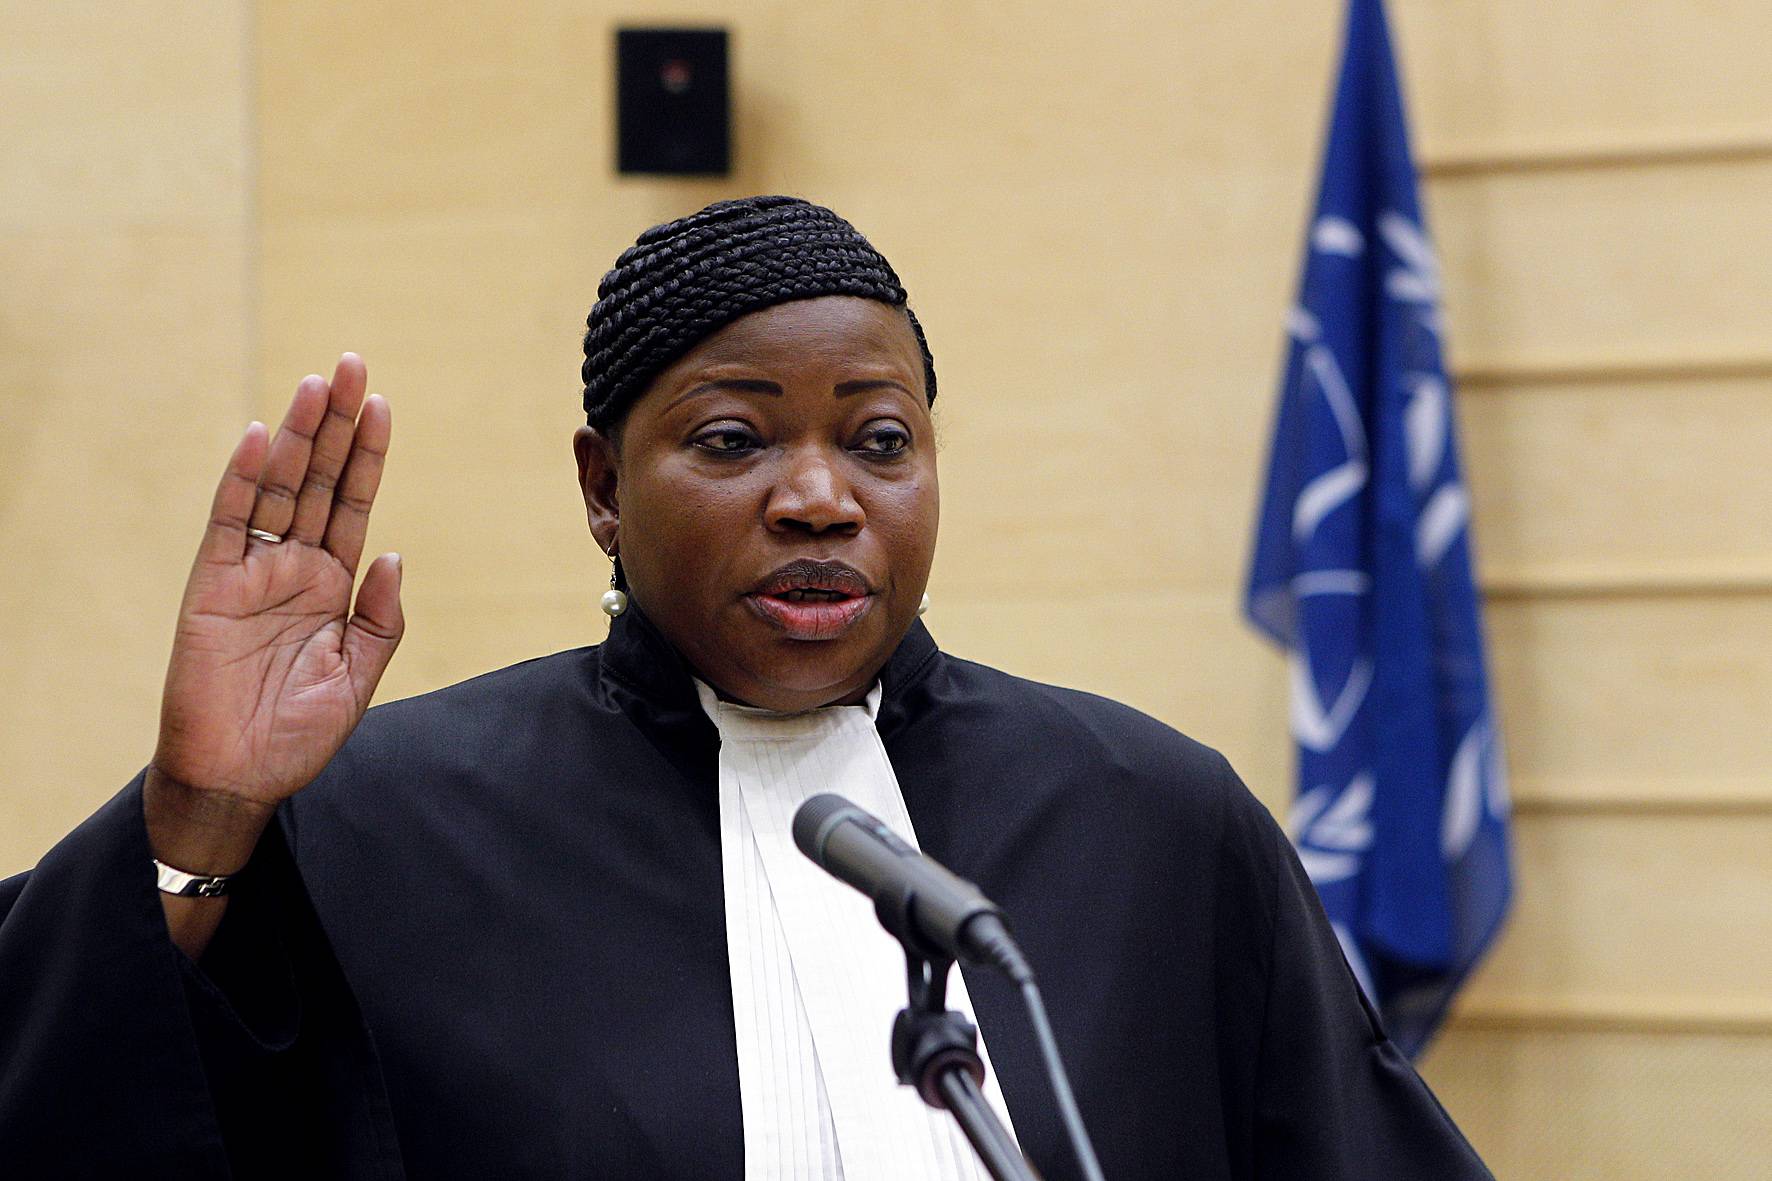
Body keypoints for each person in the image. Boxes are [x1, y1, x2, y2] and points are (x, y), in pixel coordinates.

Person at [0, 196, 1491, 1179]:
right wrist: (203, 812)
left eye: (880, 441)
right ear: (602, 486)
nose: (821, 497)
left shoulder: (1151, 823)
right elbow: (81, 1114)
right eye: (733, 440)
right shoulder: (386, 823)